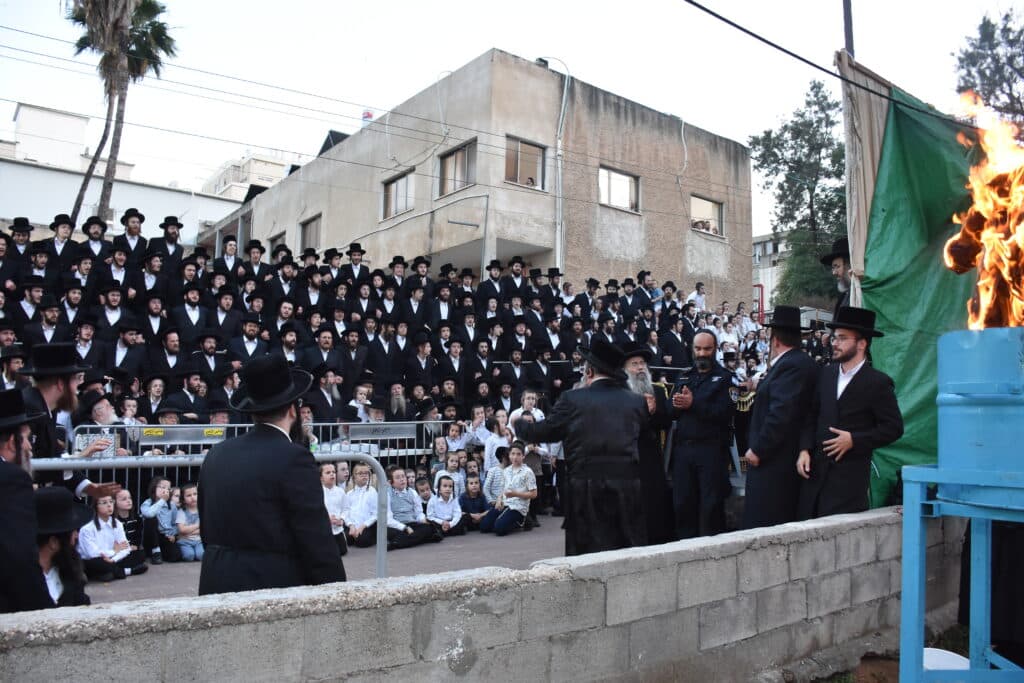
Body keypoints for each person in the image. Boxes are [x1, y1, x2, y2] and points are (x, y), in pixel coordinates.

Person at [198, 354, 344, 594]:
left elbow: (208, 532)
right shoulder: (294, 458)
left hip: (216, 583)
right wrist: (338, 595)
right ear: (293, 410)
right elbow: (316, 541)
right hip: (270, 590)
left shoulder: (217, 454)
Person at [514, 336, 649, 555]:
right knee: (626, 548)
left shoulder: (572, 399)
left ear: (589, 372)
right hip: (627, 488)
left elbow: (546, 431)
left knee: (586, 553)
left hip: (587, 489)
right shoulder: (636, 401)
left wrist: (519, 425)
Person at [797, 307, 903, 518]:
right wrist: (804, 450)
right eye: (835, 337)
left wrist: (854, 439)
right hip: (815, 477)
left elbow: (894, 428)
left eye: (842, 338)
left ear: (861, 343)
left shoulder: (878, 382)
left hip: (848, 484)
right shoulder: (825, 374)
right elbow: (811, 415)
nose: (834, 343)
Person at [741, 306, 817, 530]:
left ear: (775, 340)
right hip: (780, 462)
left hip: (774, 465)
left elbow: (781, 414)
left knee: (765, 528)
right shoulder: (796, 363)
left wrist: (758, 449)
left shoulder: (792, 365)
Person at [669, 331, 737, 539]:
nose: (702, 353)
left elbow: (725, 413)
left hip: (711, 452)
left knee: (711, 509)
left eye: (707, 349)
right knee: (682, 506)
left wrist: (693, 404)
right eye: (698, 349)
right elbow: (670, 410)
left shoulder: (726, 378)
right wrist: (676, 405)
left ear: (715, 349)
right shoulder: (684, 376)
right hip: (683, 451)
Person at [0, 388, 55, 613]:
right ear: (13, 441)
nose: (30, 447)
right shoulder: (12, 479)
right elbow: (18, 554)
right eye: (27, 439)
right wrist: (44, 609)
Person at [622, 342, 675, 544]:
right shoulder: (620, 393)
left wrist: (654, 413)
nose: (640, 368)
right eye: (634, 364)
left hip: (650, 456)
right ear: (625, 370)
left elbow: (666, 422)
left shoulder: (657, 391)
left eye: (642, 363)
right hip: (626, 457)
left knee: (653, 503)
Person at [35, 487, 93, 608]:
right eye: (73, 532)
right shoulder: (19, 582)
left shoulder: (69, 573)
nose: (77, 536)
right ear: (53, 542)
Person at [77, 494, 149, 580]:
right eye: (104, 503)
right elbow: (93, 553)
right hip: (93, 560)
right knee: (98, 563)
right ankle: (127, 571)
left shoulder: (117, 523)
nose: (109, 505)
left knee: (140, 554)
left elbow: (125, 547)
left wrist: (113, 559)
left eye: (111, 502)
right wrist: (114, 551)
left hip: (112, 558)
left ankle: (106, 573)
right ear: (96, 506)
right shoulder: (87, 528)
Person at [479, 441, 537, 536]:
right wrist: (498, 499)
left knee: (499, 529)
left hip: (518, 507)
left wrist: (515, 494)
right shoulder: (506, 471)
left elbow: (534, 494)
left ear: (523, 456)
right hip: (505, 503)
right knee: (484, 527)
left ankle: (522, 520)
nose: (515, 457)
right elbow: (503, 490)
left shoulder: (528, 472)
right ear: (509, 455)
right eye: (513, 454)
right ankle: (504, 519)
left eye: (518, 454)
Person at [320, 463, 349, 562]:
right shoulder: (317, 492)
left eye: (333, 472)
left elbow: (346, 509)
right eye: (328, 473)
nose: (332, 474)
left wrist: (341, 519)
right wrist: (326, 519)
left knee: (342, 551)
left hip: (337, 529)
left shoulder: (340, 492)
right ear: (321, 478)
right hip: (323, 530)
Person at [820, 237, 851, 319]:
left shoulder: (862, 294)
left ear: (849, 266)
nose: (834, 273)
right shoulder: (844, 297)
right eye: (833, 268)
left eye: (837, 267)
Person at [175, 482, 204, 562]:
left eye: (195, 494)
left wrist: (188, 530)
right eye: (189, 495)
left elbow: (205, 528)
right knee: (189, 556)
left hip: (199, 541)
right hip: (185, 542)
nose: (193, 497)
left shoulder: (202, 510)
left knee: (201, 555)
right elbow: (182, 530)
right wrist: (198, 525)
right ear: (183, 500)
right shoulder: (182, 511)